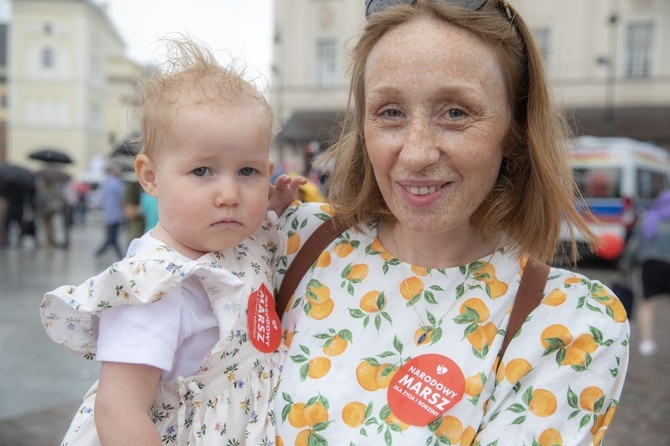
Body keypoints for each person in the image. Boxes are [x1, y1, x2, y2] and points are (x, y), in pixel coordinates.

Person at [273, 1, 630, 445]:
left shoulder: (568, 324)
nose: (417, 153)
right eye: (390, 112)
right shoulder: (293, 243)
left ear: (515, 132)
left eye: (456, 113)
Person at [40, 36, 303, 445]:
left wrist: (274, 204)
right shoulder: (156, 285)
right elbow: (119, 409)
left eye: (248, 172)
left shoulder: (235, 242)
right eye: (203, 171)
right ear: (149, 176)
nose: (230, 194)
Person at [621, 190, 670, 356]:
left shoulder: (650, 219)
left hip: (651, 266)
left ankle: (646, 342)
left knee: (647, 303)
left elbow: (635, 244)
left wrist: (626, 263)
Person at [94, 163, 126, 260]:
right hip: (116, 214)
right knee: (113, 237)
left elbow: (99, 197)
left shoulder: (106, 183)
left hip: (108, 214)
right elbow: (122, 200)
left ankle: (120, 255)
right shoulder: (118, 184)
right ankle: (99, 252)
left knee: (113, 236)